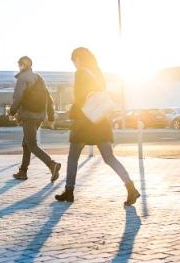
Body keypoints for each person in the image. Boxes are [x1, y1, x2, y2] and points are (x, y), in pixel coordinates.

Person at [55, 47, 140, 205]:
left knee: (73, 157)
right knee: (109, 158)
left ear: (78, 59)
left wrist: (72, 110)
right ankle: (131, 188)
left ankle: (69, 191)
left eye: (74, 61)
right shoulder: (98, 73)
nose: (74, 64)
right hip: (100, 120)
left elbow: (80, 97)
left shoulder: (80, 73)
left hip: (84, 122)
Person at [9, 56, 61, 182]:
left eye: (19, 64)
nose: (19, 67)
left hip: (28, 115)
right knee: (26, 143)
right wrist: (51, 115)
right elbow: (48, 97)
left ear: (23, 65)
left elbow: (18, 96)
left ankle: (52, 164)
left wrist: (12, 111)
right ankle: (23, 171)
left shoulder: (22, 78)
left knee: (31, 144)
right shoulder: (38, 78)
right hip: (39, 115)